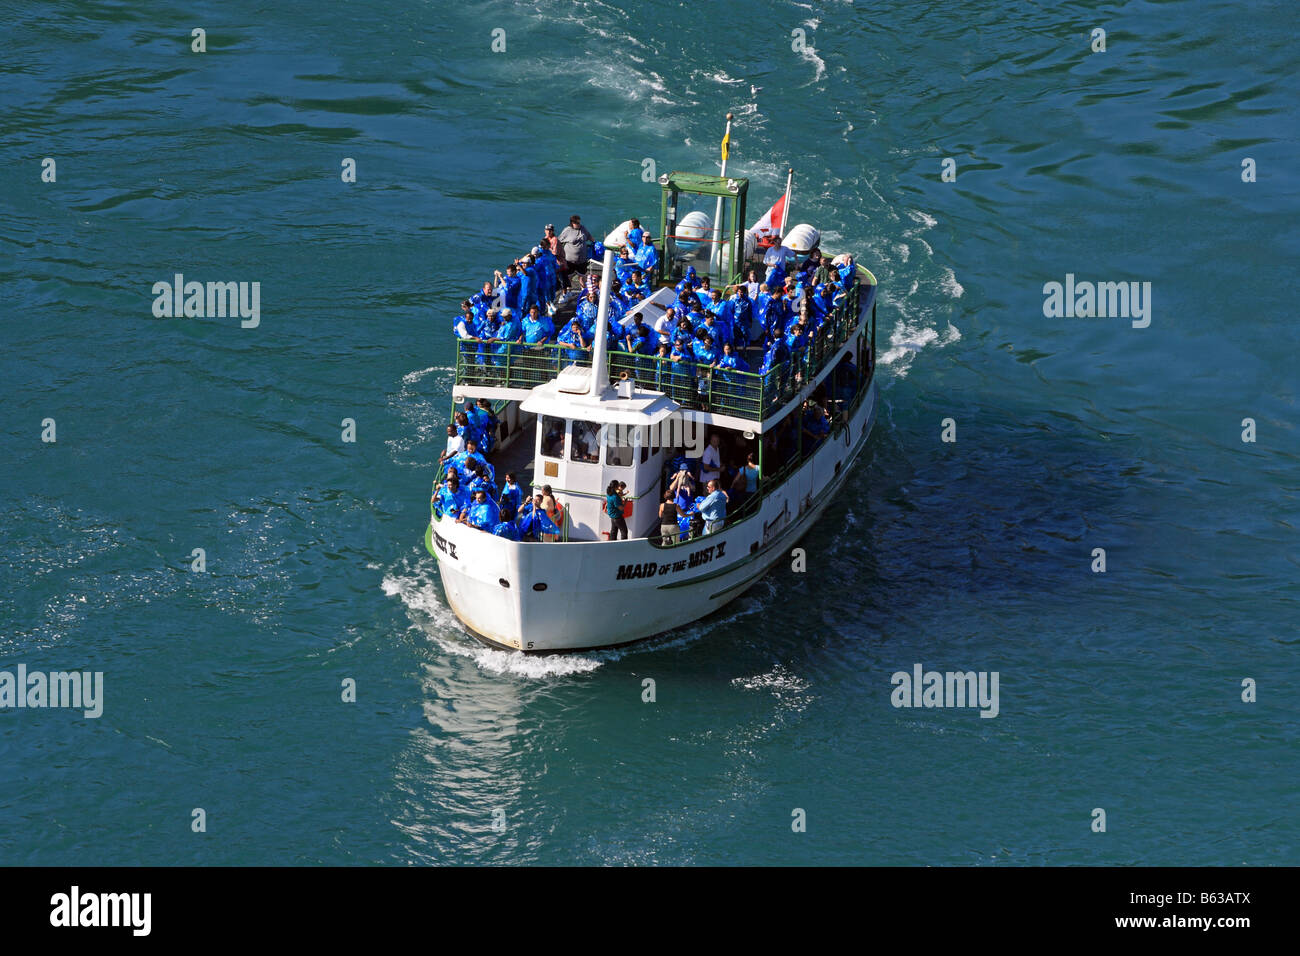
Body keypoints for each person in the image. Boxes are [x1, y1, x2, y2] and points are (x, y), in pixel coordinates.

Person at [558, 214, 593, 283]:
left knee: (582, 278)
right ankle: (568, 292)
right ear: (572, 223)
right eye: (577, 223)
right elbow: (559, 242)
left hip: (582, 260)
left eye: (579, 222)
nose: (579, 224)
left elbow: (589, 237)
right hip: (570, 261)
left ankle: (583, 291)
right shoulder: (567, 230)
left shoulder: (583, 229)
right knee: (569, 277)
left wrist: (596, 244)